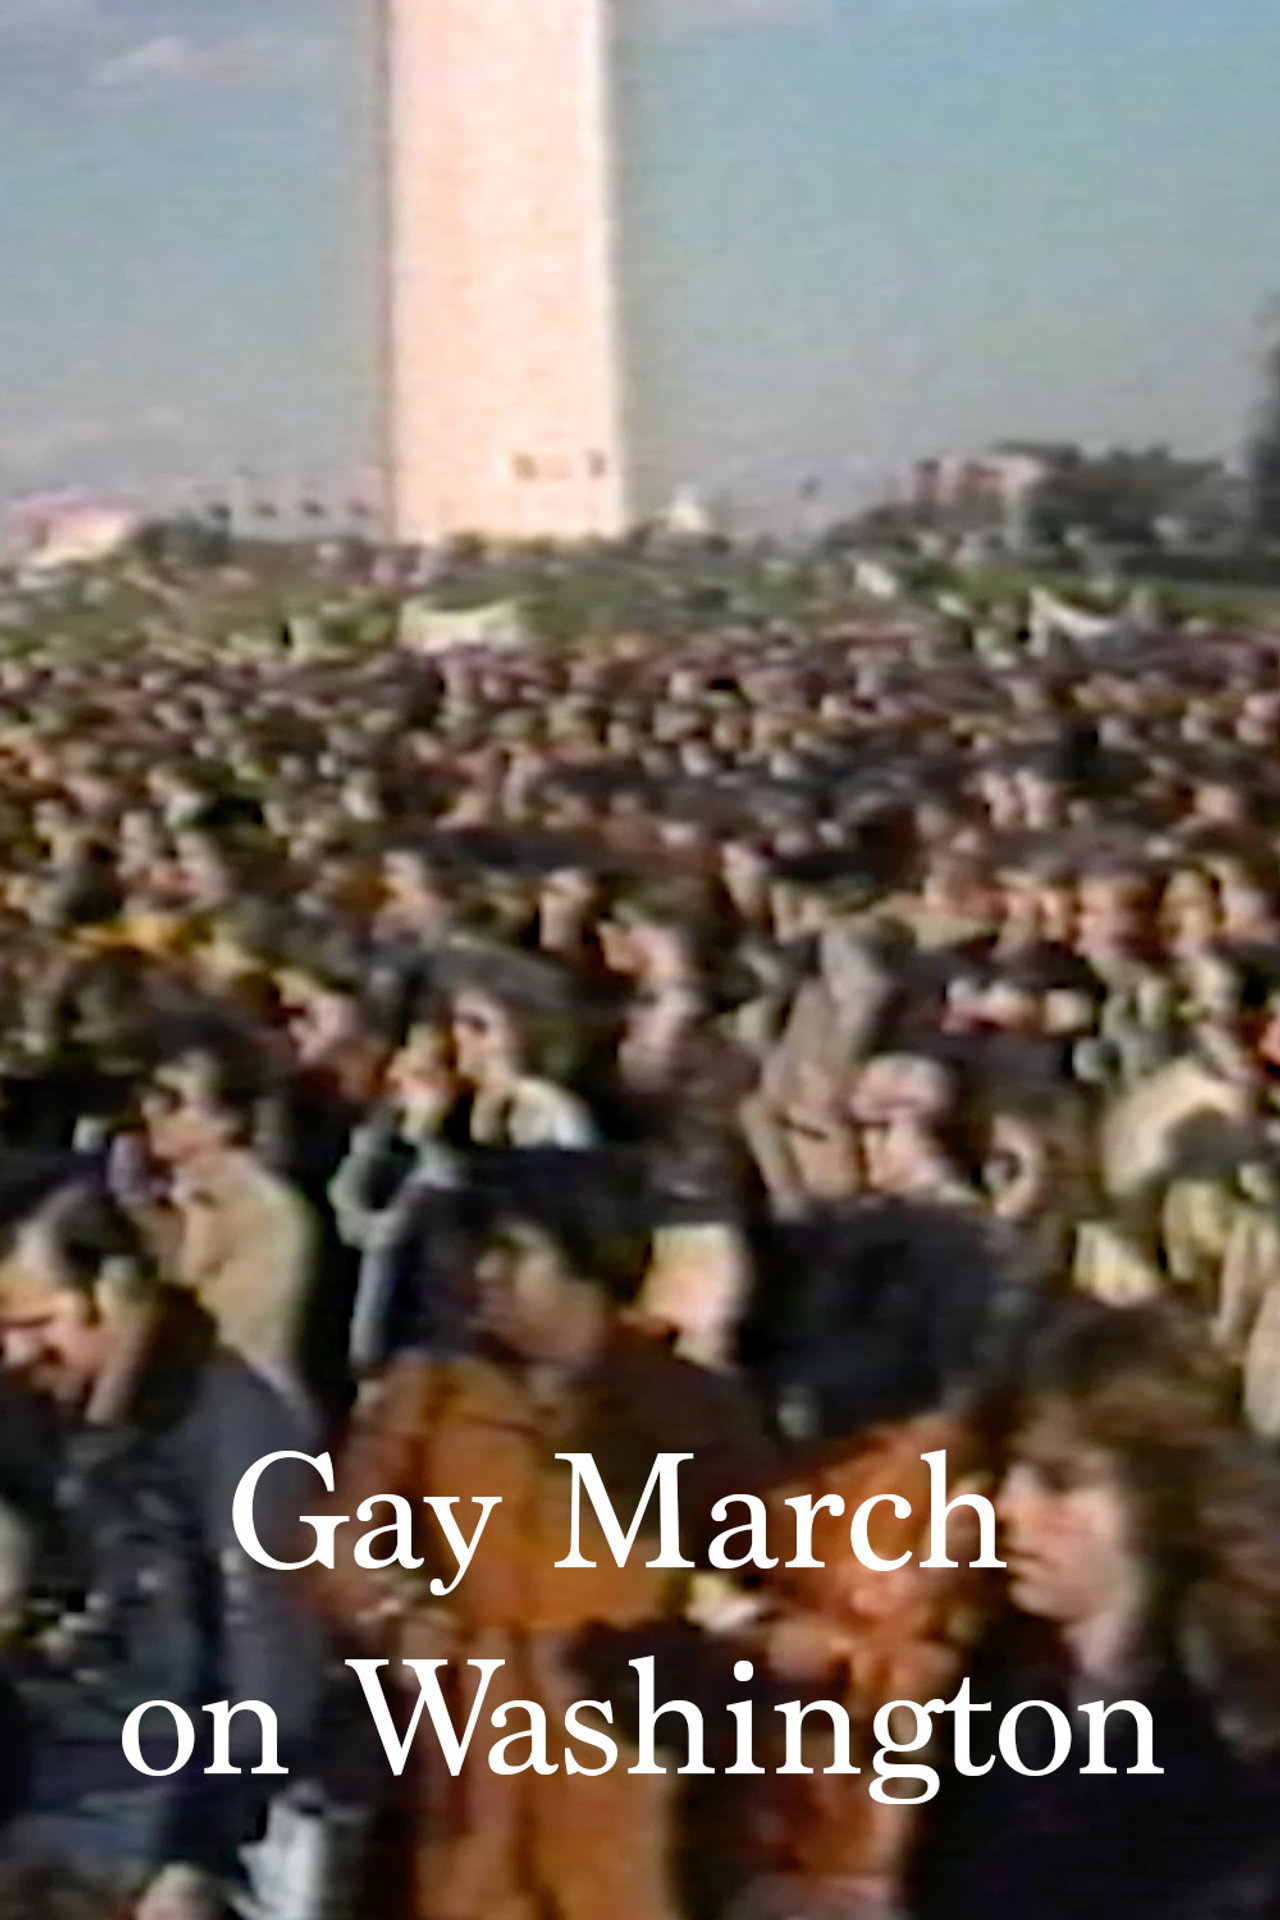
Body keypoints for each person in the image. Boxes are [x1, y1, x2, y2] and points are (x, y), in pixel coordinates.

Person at [322, 1154, 775, 1920]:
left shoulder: (687, 1409)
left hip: (621, 1769)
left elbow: (759, 1576)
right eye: (480, 1251)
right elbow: (335, 1536)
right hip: (465, 1759)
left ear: (585, 1260)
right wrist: (391, 1618)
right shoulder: (430, 1392)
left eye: (513, 1252)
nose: (484, 1275)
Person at [0, 1181, 328, 1911]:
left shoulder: (229, 1432)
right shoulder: (35, 1418)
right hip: (34, 1797)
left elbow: (266, 1677)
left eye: (32, 1323)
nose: (14, 1355)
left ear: (113, 1289)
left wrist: (198, 1859)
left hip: (141, 1831)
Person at [912, 1298, 1280, 1920]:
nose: (1006, 1506)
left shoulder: (1245, 1717)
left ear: (1157, 1498)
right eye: (1005, 1471)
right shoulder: (1000, 1681)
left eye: (1060, 1481)